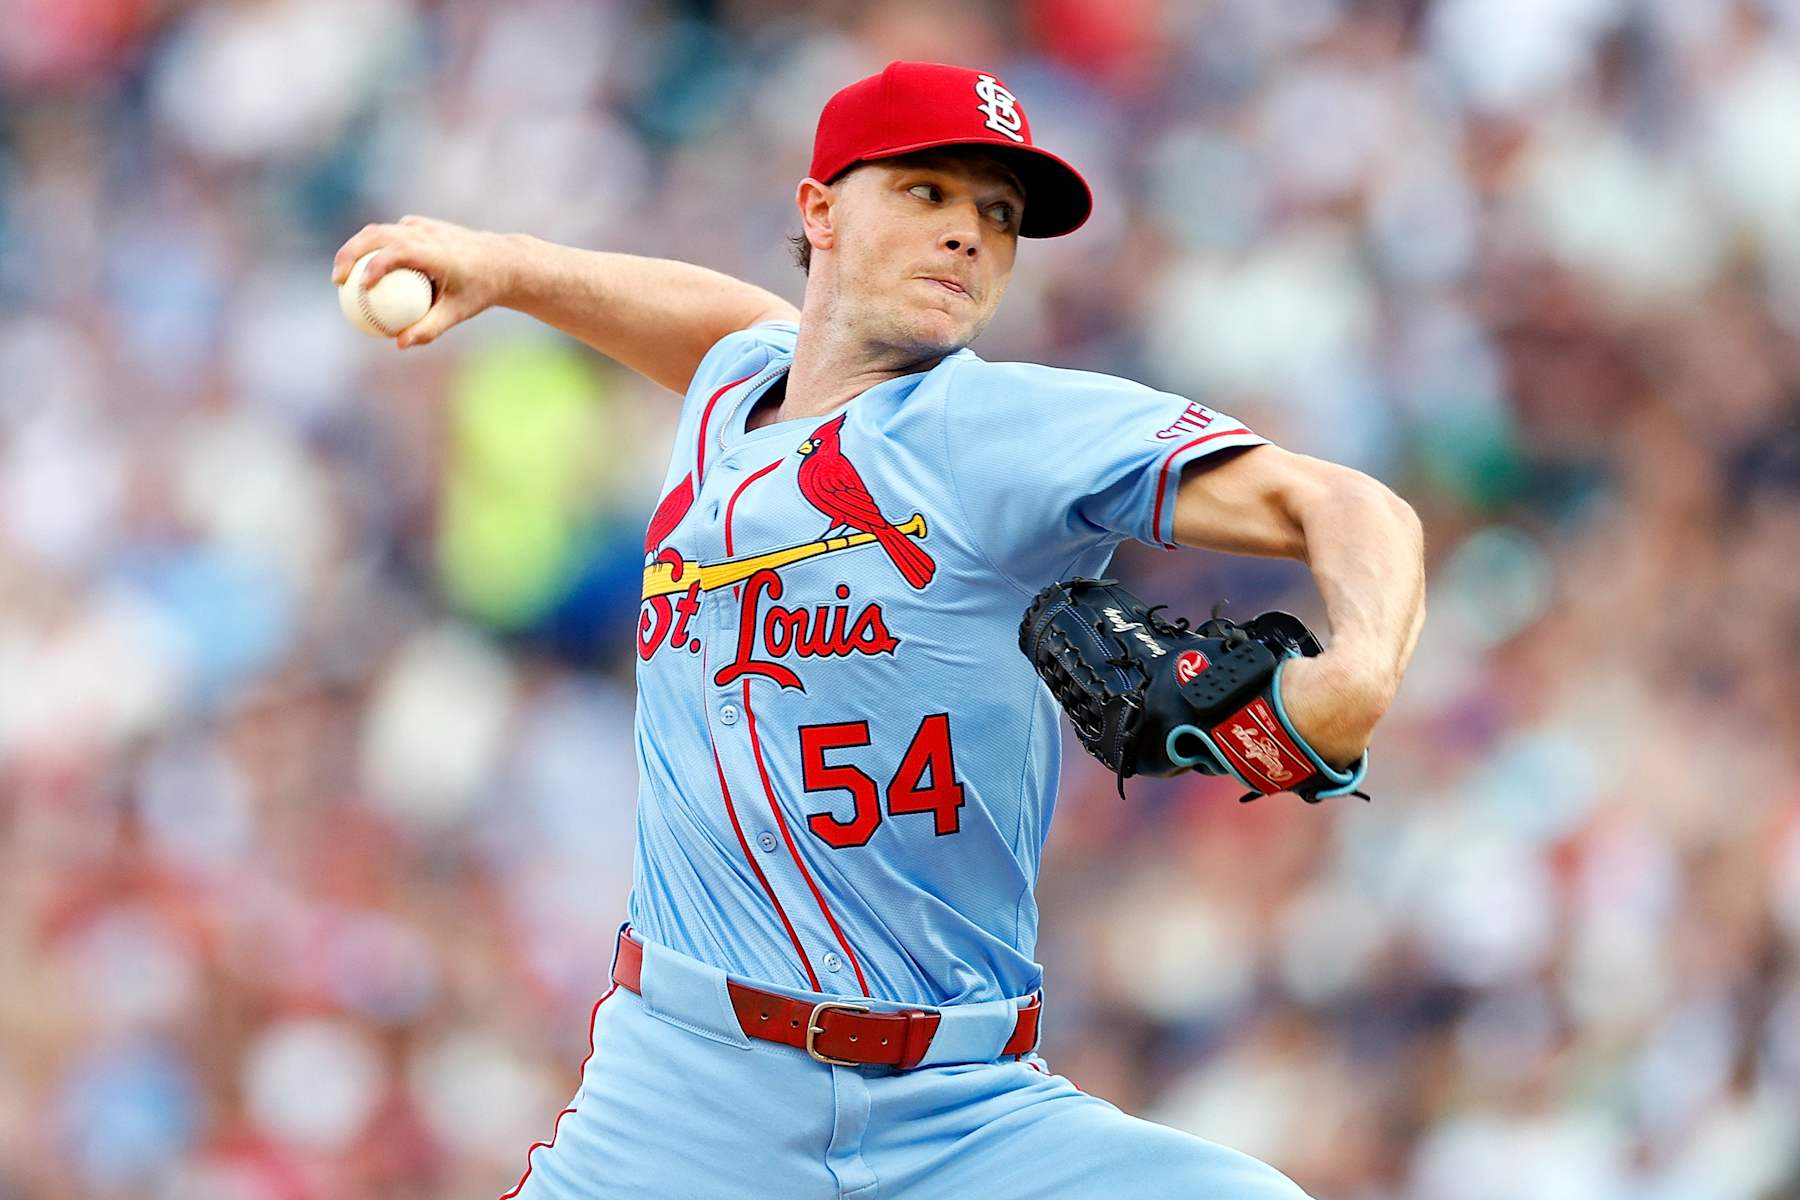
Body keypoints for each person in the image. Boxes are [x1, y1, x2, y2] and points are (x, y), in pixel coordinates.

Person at [334, 60, 1425, 1200]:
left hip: (966, 1116)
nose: (967, 235)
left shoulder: (997, 429)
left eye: (997, 217)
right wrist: (505, 269)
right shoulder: (735, 391)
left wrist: (1353, 678)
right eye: (926, 193)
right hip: (680, 1101)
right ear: (818, 211)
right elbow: (730, 328)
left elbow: (1350, 507)